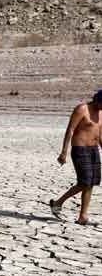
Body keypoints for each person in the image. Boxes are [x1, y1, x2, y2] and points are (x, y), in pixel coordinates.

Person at [49, 91, 102, 225]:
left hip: (94, 150)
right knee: (85, 182)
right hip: (80, 149)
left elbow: (99, 134)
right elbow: (70, 130)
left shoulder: (101, 113)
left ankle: (82, 216)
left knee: (92, 183)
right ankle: (59, 202)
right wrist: (64, 152)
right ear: (96, 100)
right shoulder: (82, 109)